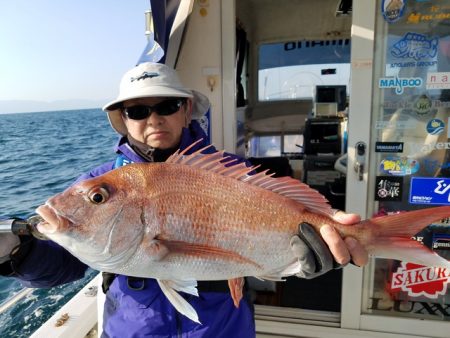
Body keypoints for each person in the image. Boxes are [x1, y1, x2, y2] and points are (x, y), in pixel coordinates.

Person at [0, 62, 368, 337]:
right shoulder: (99, 184)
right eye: (138, 111)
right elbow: (63, 266)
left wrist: (308, 256)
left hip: (222, 329)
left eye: (167, 106)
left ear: (186, 110)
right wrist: (16, 252)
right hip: (134, 330)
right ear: (123, 120)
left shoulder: (232, 170)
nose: (154, 118)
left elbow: (275, 237)